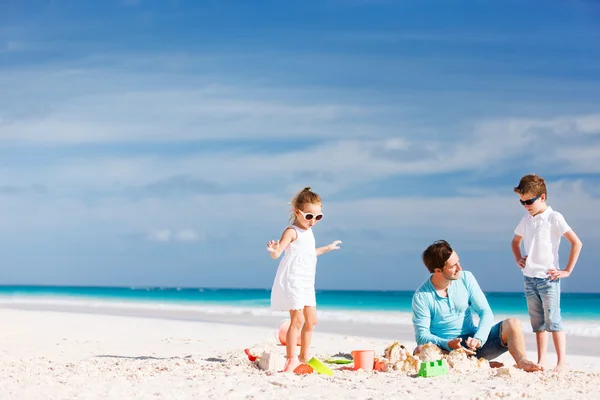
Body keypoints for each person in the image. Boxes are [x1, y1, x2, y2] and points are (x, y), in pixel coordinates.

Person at [412, 240, 542, 372]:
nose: (459, 268)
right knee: (420, 350)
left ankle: (521, 361)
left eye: (458, 262)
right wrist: (448, 343)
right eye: (453, 266)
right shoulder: (422, 295)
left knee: (512, 323)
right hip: (446, 350)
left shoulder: (466, 278)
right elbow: (422, 336)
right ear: (438, 270)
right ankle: (477, 364)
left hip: (474, 346)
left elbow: (485, 312)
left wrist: (479, 338)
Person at [511, 174, 582, 372]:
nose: (525, 205)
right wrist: (519, 259)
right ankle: (542, 360)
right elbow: (515, 242)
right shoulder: (526, 219)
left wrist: (566, 271)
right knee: (538, 323)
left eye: (529, 201)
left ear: (542, 197)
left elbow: (576, 243)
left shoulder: (554, 218)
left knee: (554, 321)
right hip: (529, 277)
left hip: (548, 279)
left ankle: (561, 363)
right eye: (522, 202)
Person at [267, 187, 342, 372]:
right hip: (293, 280)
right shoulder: (292, 231)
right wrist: (273, 250)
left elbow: (309, 253)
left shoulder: (309, 232)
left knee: (312, 320)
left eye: (318, 217)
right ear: (297, 212)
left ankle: (304, 355)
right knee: (297, 320)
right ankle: (291, 359)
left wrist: (327, 248)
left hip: (307, 282)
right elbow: (278, 253)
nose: (313, 221)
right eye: (309, 216)